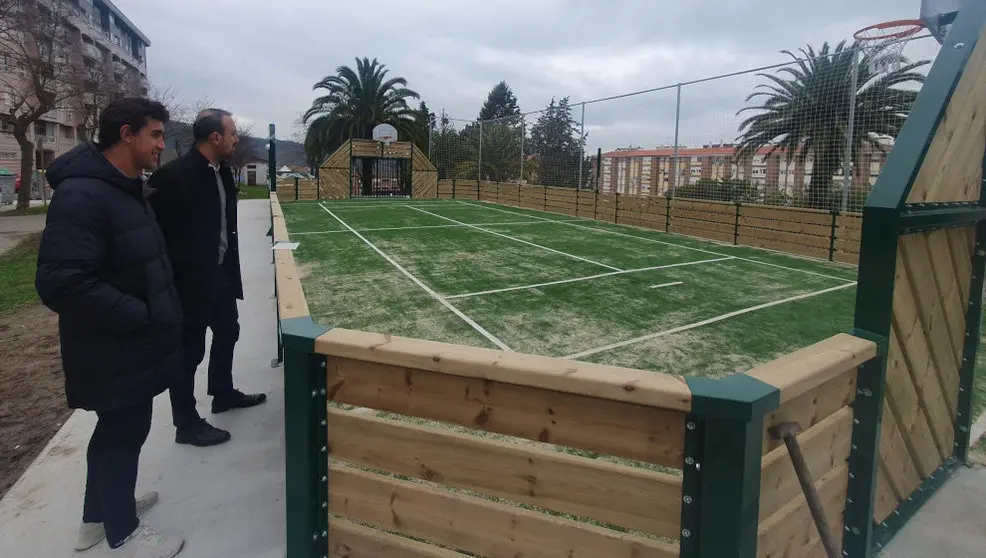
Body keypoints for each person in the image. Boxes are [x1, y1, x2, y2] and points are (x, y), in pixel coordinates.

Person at [35, 97, 184, 557]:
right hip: (112, 347)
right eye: (155, 135)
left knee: (116, 432)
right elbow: (62, 282)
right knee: (123, 433)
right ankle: (124, 532)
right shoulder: (84, 195)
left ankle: (97, 518)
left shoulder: (125, 188)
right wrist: (140, 314)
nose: (160, 145)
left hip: (128, 345)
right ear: (126, 134)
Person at [148, 108, 266, 447]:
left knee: (228, 329)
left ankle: (222, 392)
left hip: (219, 273)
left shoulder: (222, 172)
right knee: (189, 351)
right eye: (232, 133)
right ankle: (186, 423)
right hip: (188, 281)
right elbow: (155, 235)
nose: (236, 139)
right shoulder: (173, 177)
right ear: (215, 137)